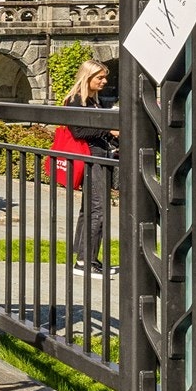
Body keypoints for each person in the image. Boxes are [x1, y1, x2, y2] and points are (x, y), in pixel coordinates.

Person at [63, 60, 119, 277]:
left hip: (97, 157)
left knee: (90, 209)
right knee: (98, 208)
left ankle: (85, 259)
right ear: (87, 77)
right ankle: (86, 262)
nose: (104, 81)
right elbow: (78, 131)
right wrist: (108, 130)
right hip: (90, 159)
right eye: (100, 78)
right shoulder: (76, 100)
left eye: (104, 77)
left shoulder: (92, 100)